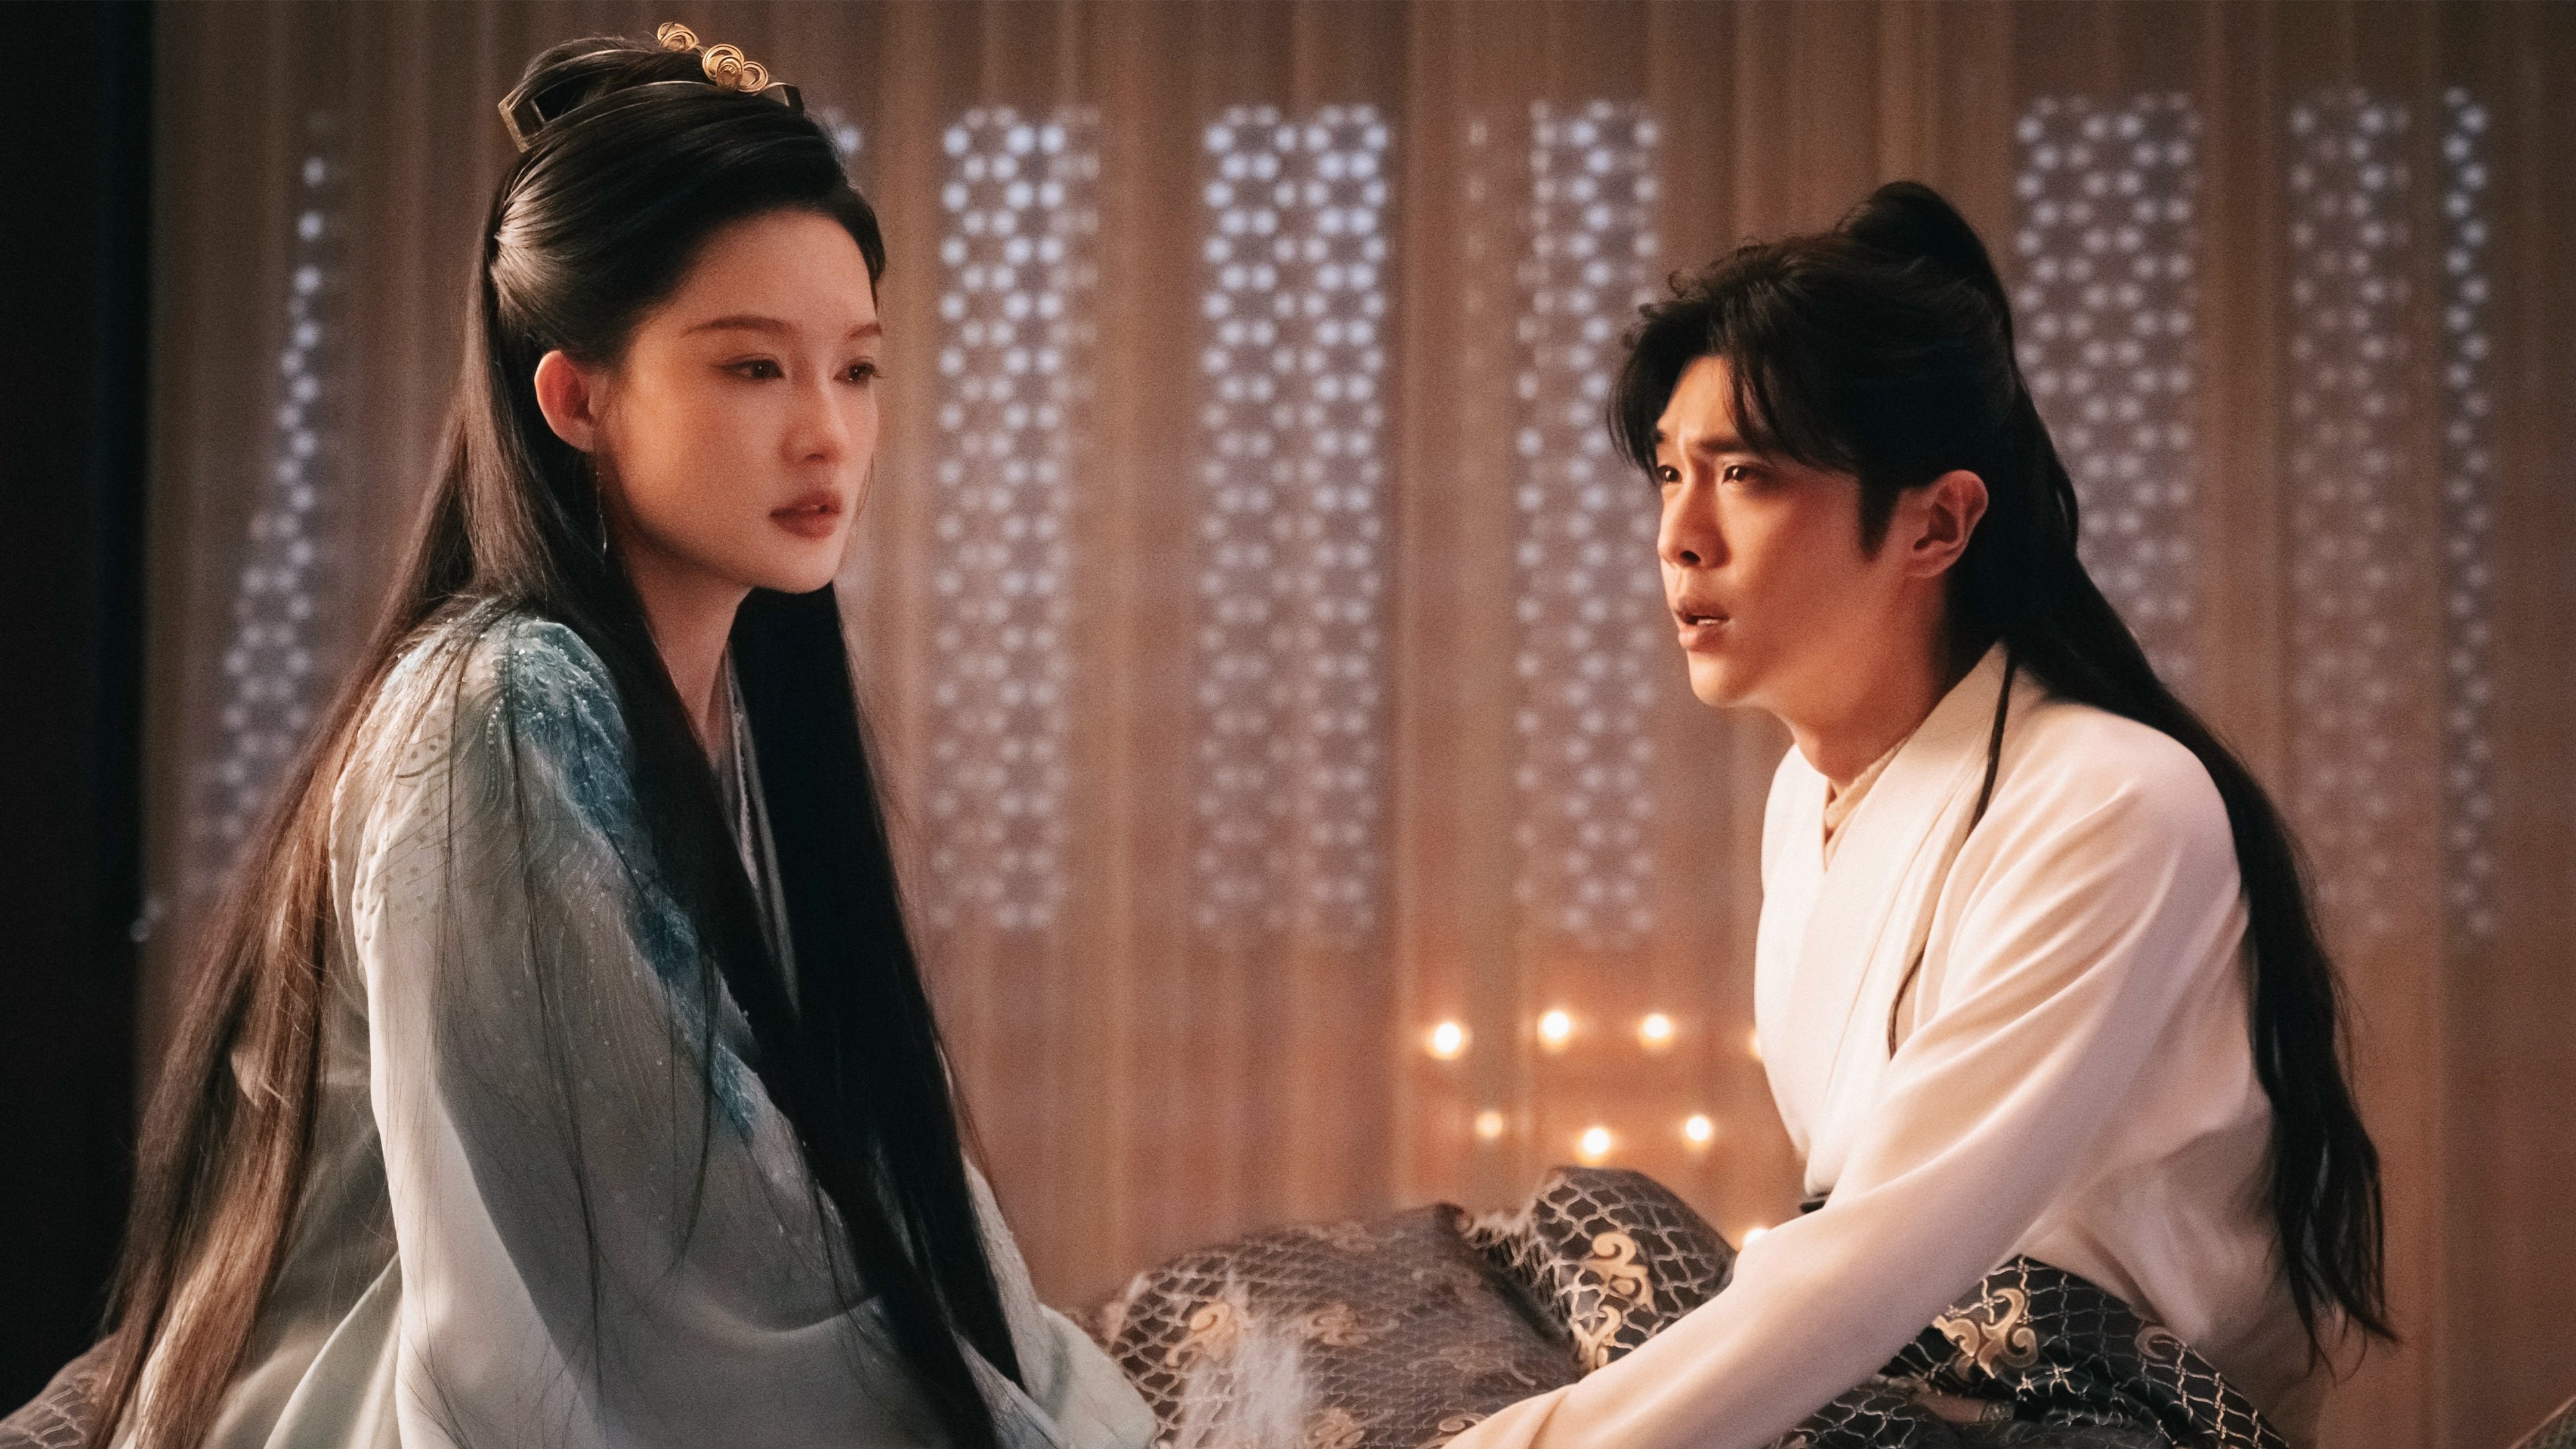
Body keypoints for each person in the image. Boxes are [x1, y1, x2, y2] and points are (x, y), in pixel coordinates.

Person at [68, 26, 1155, 1449]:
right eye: (753, 369)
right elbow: (669, 1269)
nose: (828, 436)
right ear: (577, 397)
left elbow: (858, 1205)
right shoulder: (500, 713)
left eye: (858, 370)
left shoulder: (718, 714)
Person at [1446, 183, 2388, 1449]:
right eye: (1671, 473)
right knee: (1564, 1232)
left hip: (2100, 1416)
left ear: (1936, 522)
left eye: (1746, 476)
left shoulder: (2116, 801)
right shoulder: (1807, 796)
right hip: (1897, 1371)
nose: (1681, 535)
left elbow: (1867, 1272)